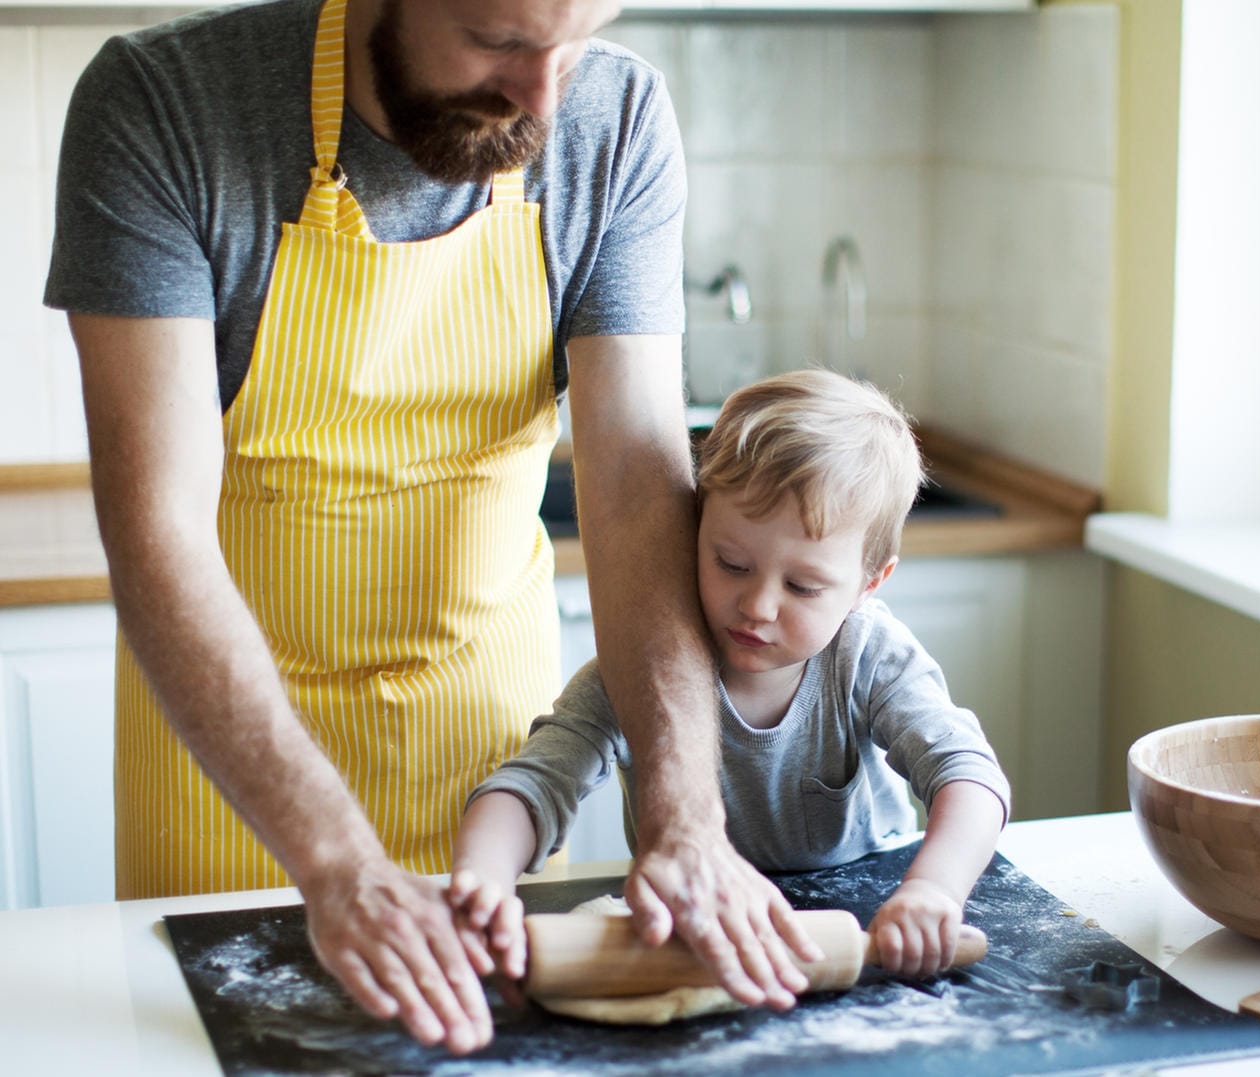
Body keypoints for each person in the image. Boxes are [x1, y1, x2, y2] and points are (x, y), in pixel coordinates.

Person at [43, 0, 817, 1055]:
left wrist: (685, 816)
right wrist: (336, 864)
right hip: (232, 792)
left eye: (576, 42)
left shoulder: (616, 116)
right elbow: (157, 534)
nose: (544, 96)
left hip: (486, 779)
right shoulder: (167, 104)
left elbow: (638, 493)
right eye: (499, 43)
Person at [450, 369, 1012, 983]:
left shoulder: (867, 656)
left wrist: (932, 890)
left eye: (802, 586)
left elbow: (969, 775)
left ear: (868, 583)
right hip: (698, 936)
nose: (758, 606)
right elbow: (532, 785)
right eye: (732, 562)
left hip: (863, 929)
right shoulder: (645, 664)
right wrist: (482, 882)